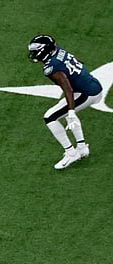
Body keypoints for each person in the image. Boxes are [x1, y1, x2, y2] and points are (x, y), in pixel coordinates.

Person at [27, 35, 103, 170]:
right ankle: (82, 147)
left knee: (50, 117)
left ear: (44, 50)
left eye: (36, 50)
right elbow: (77, 62)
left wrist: (71, 111)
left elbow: (68, 89)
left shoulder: (51, 68)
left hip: (86, 93)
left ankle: (71, 152)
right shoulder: (59, 51)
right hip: (91, 85)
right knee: (66, 111)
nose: (33, 53)